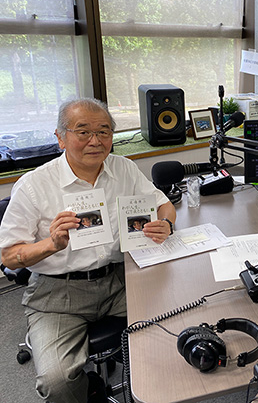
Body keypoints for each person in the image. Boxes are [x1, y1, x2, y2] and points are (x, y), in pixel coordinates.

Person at [0, 98, 176, 403]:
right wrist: (51, 244)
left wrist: (166, 224)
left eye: (103, 132)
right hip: (58, 292)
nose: (95, 141)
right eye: (83, 132)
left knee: (173, 324)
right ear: (60, 138)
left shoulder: (124, 168)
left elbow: (164, 204)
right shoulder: (33, 186)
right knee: (57, 381)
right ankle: (88, 390)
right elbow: (9, 256)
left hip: (119, 278)